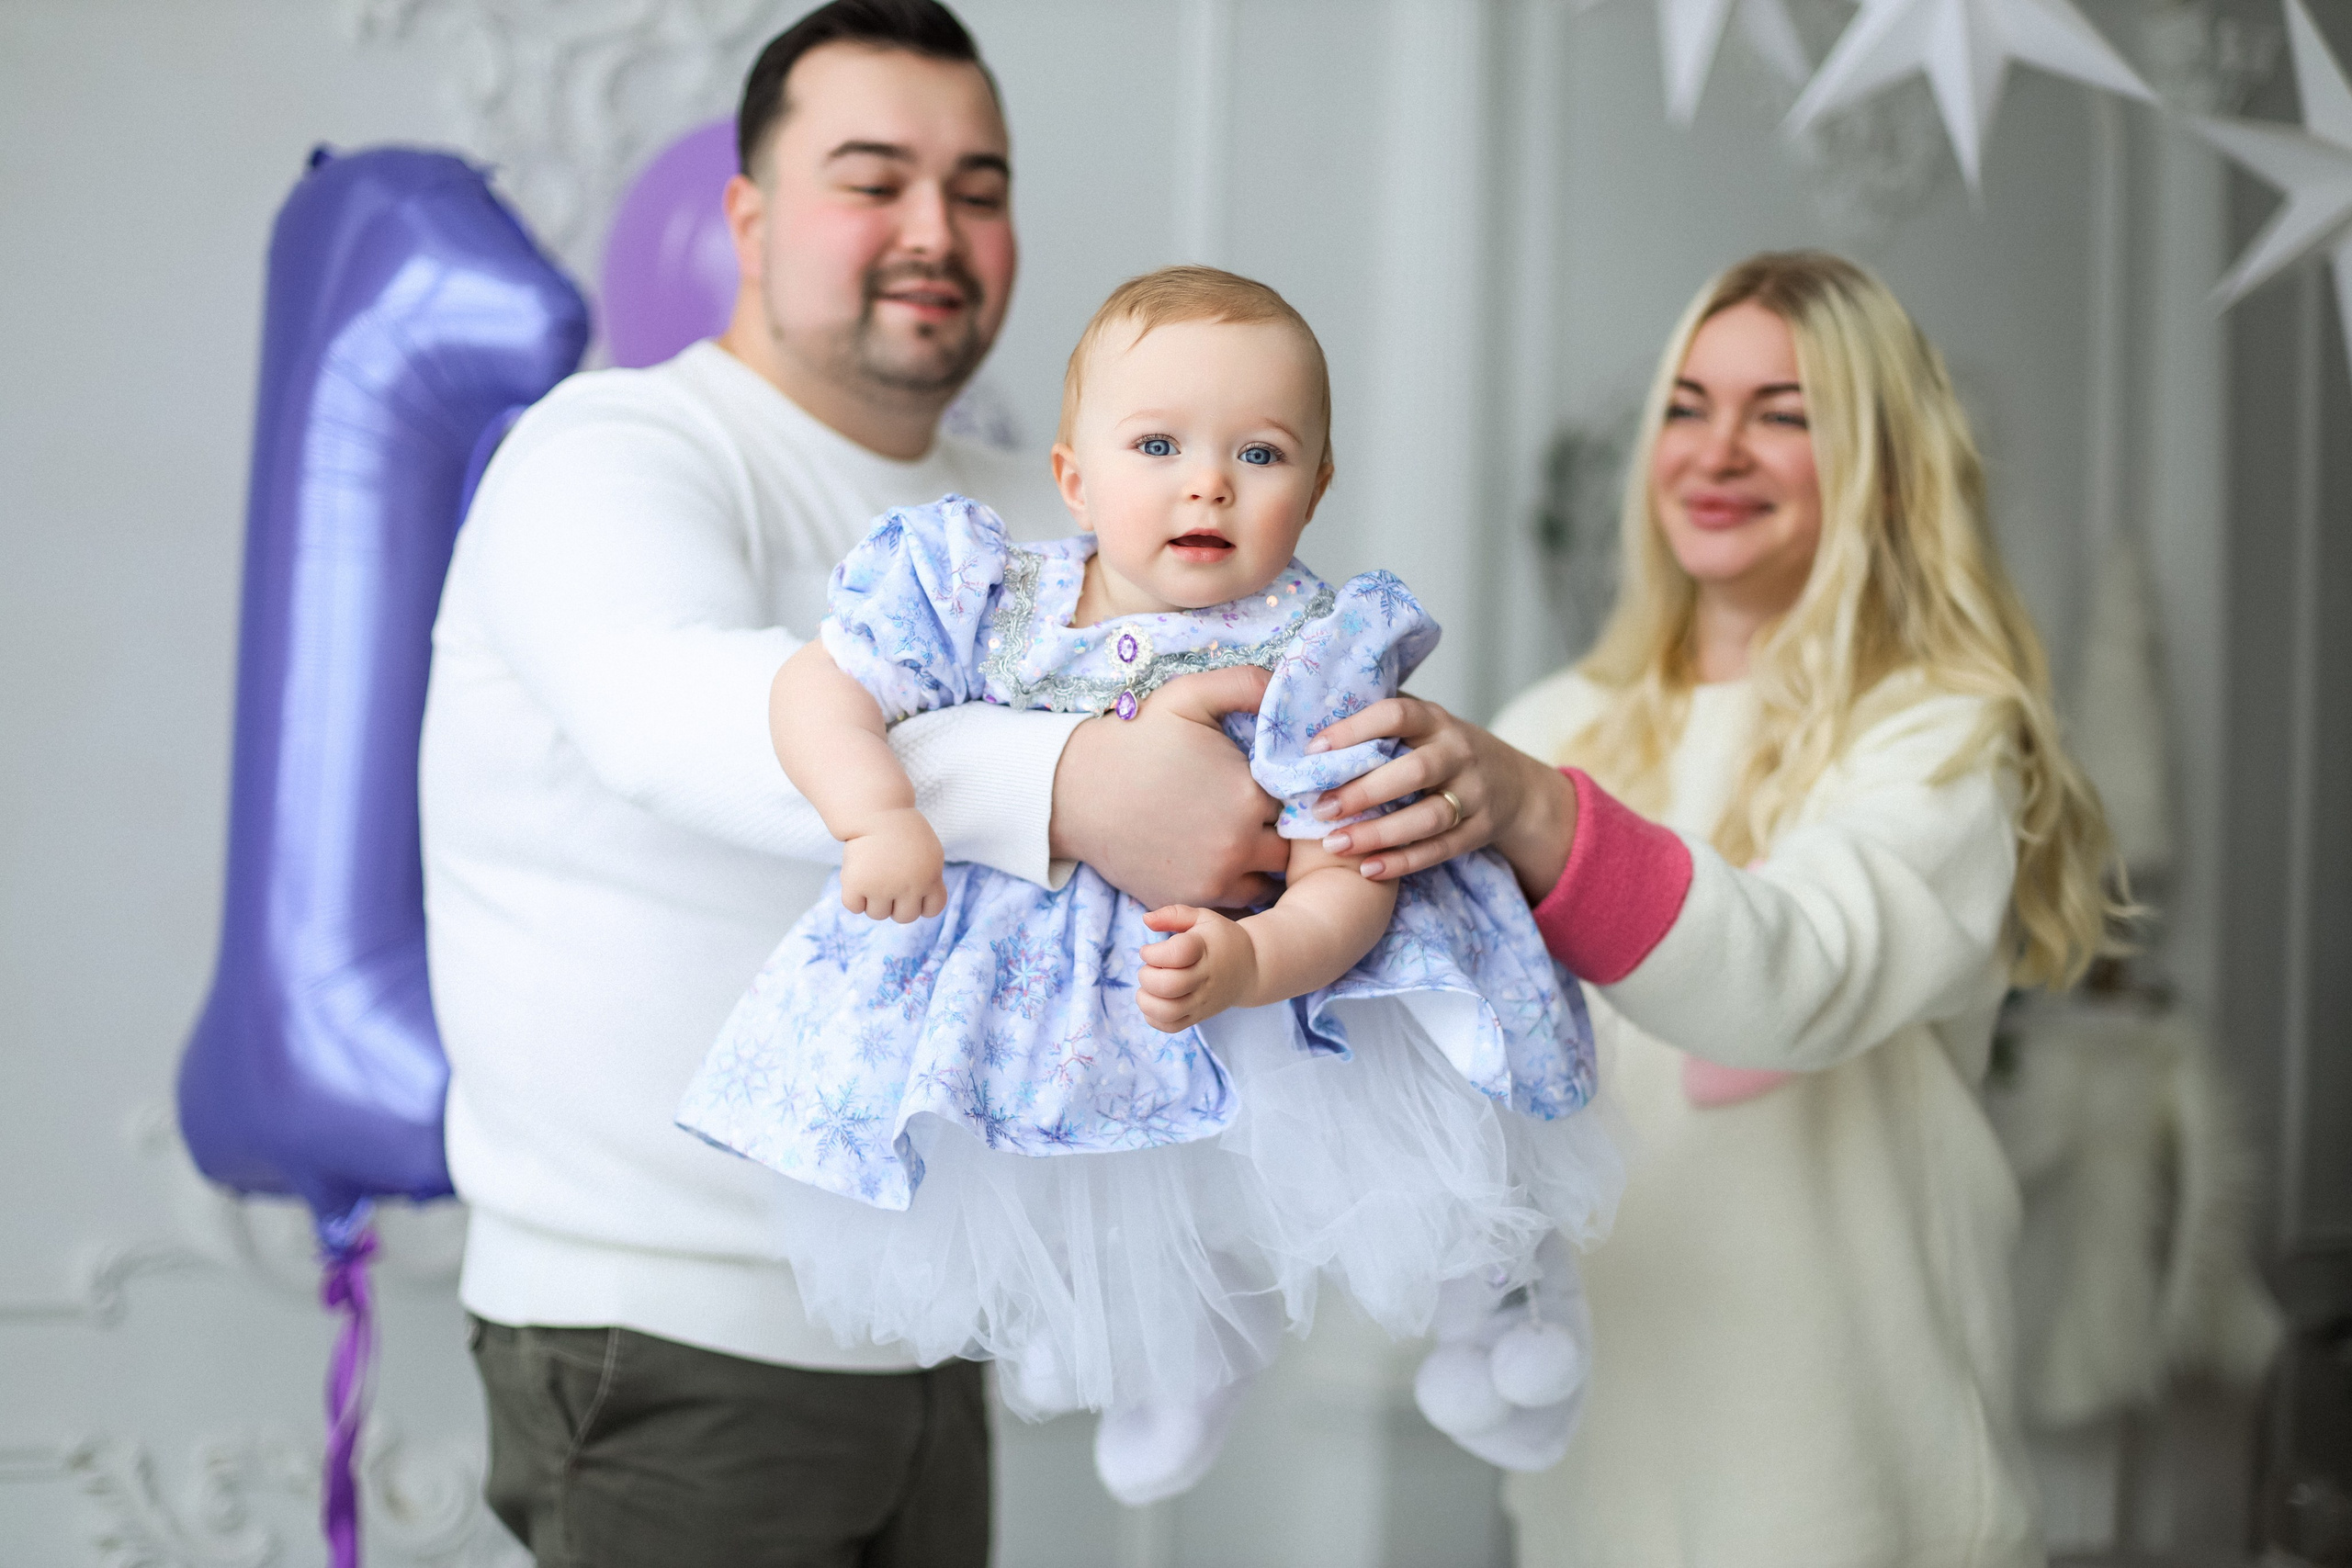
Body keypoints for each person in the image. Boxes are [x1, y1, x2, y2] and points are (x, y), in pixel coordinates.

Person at [419, 5, 1287, 1564]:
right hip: (666, 1334)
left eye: (978, 186)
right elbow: (664, 706)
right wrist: (1077, 780)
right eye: (871, 180)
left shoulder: (1051, 511)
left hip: (926, 1324)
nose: (933, 233)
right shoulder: (612, 449)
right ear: (747, 215)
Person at [675, 266, 1618, 1506]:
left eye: (1262, 452)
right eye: (1159, 443)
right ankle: (1177, 1351)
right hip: (1062, 999)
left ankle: (1502, 1309)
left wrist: (1262, 960)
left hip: (1298, 975)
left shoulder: (1313, 650)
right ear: (1074, 477)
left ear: (1319, 486)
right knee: (1107, 1166)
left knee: (1424, 1145)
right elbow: (818, 688)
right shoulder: (983, 592)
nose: (1207, 482)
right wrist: (877, 813)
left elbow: (1353, 869)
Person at [1305, 251, 2120, 1567]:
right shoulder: (1562, 723)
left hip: (1858, 1490)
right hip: (1595, 1491)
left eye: (1783, 413)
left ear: (1889, 462)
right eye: (1687, 406)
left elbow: (1799, 972)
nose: (1716, 449)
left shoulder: (1941, 738)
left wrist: (1537, 815)